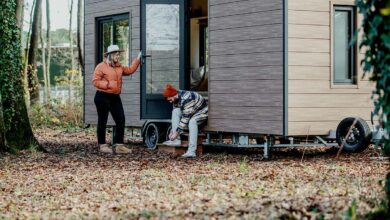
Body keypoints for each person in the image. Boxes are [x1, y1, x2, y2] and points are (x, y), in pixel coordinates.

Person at [92, 45, 141, 154]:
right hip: (102, 96)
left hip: (115, 97)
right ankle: (102, 145)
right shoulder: (101, 66)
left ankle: (119, 145)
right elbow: (95, 81)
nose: (118, 56)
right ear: (110, 55)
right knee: (102, 121)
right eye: (116, 54)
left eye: (119, 54)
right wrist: (108, 84)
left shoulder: (119, 67)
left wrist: (138, 59)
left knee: (121, 119)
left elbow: (130, 70)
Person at [162, 84, 208, 158]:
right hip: (191, 112)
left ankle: (192, 151)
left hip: (202, 111)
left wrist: (176, 133)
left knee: (192, 122)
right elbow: (179, 116)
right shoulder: (176, 99)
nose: (170, 102)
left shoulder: (187, 98)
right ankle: (176, 140)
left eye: (170, 99)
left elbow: (185, 119)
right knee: (175, 111)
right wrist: (172, 131)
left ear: (173, 95)